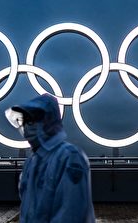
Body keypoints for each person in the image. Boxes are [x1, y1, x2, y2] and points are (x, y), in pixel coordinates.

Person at [6, 94, 95, 223]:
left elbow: (71, 212)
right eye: (24, 122)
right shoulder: (31, 162)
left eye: (31, 122)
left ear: (47, 121)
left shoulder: (69, 156)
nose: (26, 128)